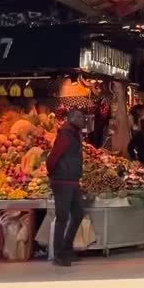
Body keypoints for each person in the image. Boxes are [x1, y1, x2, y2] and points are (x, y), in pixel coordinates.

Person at [46, 107, 87, 267]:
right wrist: (52, 173)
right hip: (63, 181)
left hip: (72, 180)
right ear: (71, 118)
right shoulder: (65, 135)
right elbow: (53, 156)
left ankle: (67, 248)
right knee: (62, 217)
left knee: (78, 214)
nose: (82, 119)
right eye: (79, 117)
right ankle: (59, 254)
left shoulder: (74, 134)